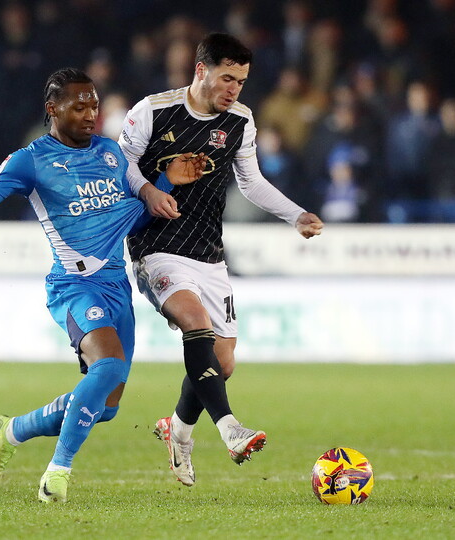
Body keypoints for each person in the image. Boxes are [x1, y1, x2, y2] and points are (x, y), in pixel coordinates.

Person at [0, 68, 205, 503]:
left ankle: (10, 431)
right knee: (108, 367)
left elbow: (130, 217)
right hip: (74, 285)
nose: (90, 114)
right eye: (79, 106)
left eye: (94, 105)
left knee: (105, 408)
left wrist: (164, 183)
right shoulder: (29, 160)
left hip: (116, 285)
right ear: (53, 109)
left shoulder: (110, 153)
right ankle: (57, 472)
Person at [118, 33, 324, 487]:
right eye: (227, 78)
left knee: (223, 363)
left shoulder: (240, 120)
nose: (234, 89)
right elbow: (119, 165)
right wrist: (149, 190)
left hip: (208, 252)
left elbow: (251, 183)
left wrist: (295, 215)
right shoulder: (152, 111)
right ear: (201, 70)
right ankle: (231, 429)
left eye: (241, 81)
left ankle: (177, 430)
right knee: (196, 323)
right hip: (156, 245)